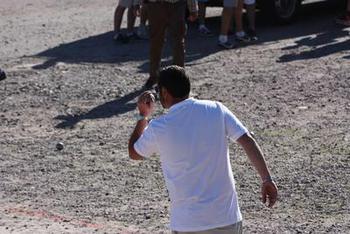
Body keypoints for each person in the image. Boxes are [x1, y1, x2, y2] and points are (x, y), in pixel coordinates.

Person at [128, 65, 278, 233]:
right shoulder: (216, 109)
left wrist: (143, 115)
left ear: (164, 92)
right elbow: (248, 141)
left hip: (188, 223)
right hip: (226, 218)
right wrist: (266, 179)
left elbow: (134, 153)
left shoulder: (159, 127)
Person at [135, 0, 198, 88]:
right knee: (156, 42)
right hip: (155, 5)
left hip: (176, 5)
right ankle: (154, 76)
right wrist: (137, 3)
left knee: (178, 43)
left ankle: (178, 77)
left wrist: (193, 8)